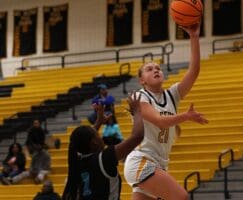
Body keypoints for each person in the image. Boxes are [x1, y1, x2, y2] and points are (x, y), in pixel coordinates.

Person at [124, 23, 208, 200]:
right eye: (149, 69)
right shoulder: (139, 96)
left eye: (158, 68)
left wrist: (194, 37)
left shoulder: (172, 95)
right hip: (142, 161)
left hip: (159, 164)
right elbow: (160, 120)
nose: (156, 69)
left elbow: (194, 71)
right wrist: (185, 116)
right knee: (182, 197)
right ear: (142, 80)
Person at [62, 92, 144, 200]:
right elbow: (137, 136)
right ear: (94, 143)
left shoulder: (77, 161)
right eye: (98, 135)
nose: (101, 137)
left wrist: (98, 122)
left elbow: (83, 139)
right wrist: (137, 111)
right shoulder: (104, 158)